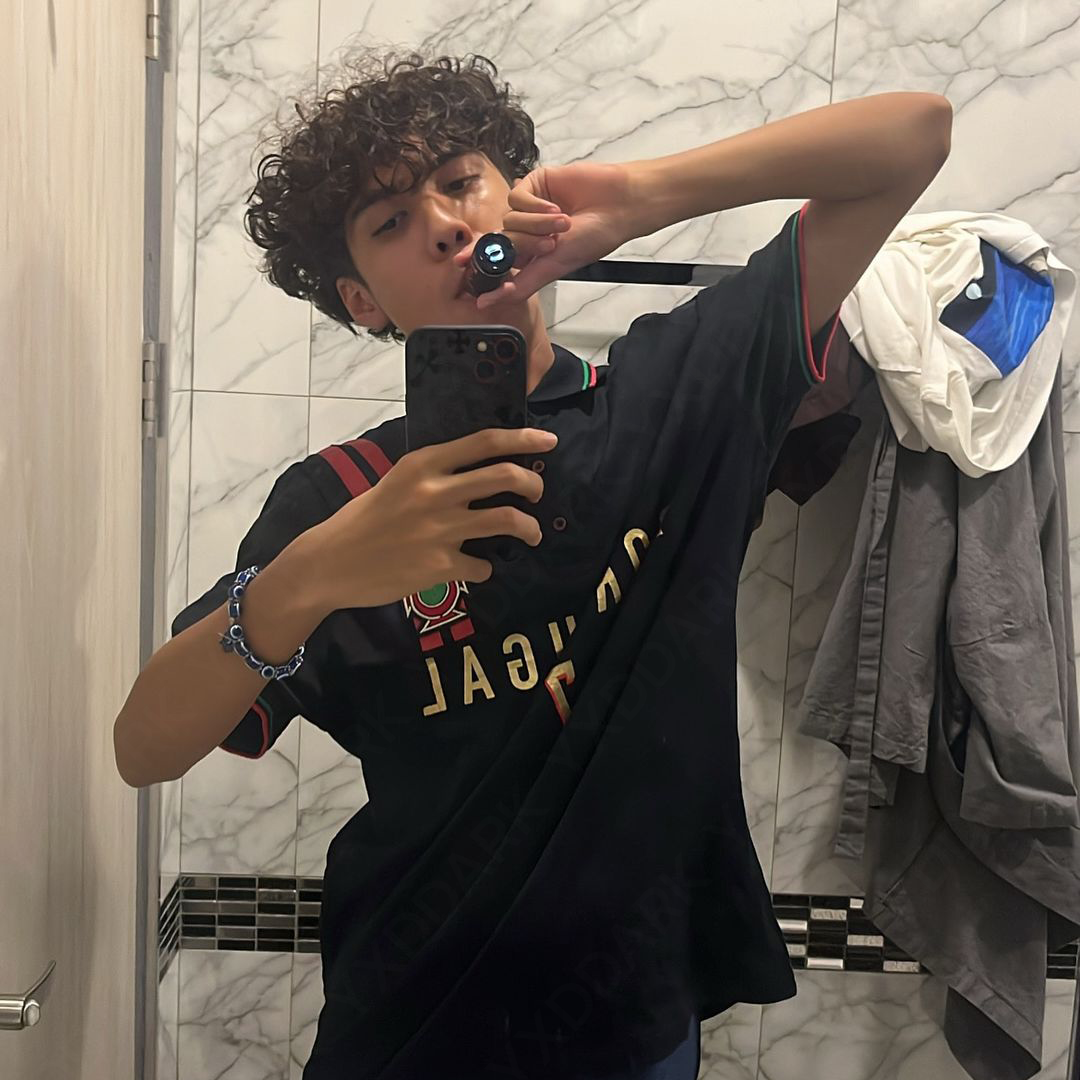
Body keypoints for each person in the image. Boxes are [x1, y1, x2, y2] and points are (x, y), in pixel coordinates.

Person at [113, 49, 952, 1080]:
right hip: (410, 1031)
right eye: (391, 221)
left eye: (460, 181)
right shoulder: (337, 500)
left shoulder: (678, 396)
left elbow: (914, 135)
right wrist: (314, 574)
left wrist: (644, 196)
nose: (443, 223)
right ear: (362, 300)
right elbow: (143, 748)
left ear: (517, 195)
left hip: (637, 1024)